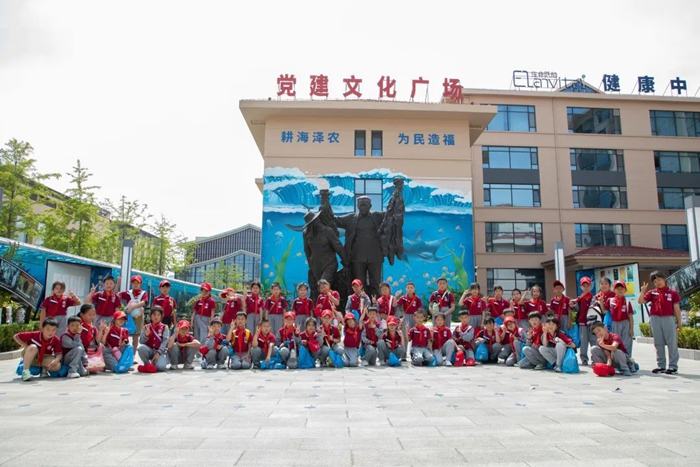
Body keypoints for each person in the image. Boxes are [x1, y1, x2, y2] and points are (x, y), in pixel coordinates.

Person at [335, 195, 386, 297]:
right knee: (359, 283)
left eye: (365, 205)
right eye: (360, 205)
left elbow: (393, 214)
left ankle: (377, 304)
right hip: (357, 257)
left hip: (375, 256)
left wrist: (397, 194)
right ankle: (360, 304)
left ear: (370, 206)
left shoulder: (378, 216)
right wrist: (325, 203)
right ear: (357, 206)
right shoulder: (351, 218)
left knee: (376, 283)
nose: (362, 207)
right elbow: (334, 220)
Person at [638, 271, 682, 375]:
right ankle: (661, 365)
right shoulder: (652, 293)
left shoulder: (673, 293)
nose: (658, 282)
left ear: (664, 279)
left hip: (668, 318)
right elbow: (640, 301)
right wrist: (643, 292)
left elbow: (677, 309)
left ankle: (673, 366)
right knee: (658, 343)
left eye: (659, 279)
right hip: (655, 318)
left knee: (671, 342)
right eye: (655, 281)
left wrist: (679, 323)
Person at [605, 281, 635, 358]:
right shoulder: (610, 300)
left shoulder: (627, 302)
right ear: (614, 290)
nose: (620, 290)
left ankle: (627, 359)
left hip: (625, 323)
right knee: (615, 342)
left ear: (625, 290)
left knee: (626, 343)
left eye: (622, 288)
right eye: (617, 288)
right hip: (614, 323)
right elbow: (604, 311)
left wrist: (631, 329)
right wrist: (601, 303)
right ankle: (617, 359)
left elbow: (630, 317)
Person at [118, 275, 148, 348]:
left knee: (136, 336)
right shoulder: (128, 292)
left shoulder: (143, 293)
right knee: (125, 334)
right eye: (134, 283)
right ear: (131, 284)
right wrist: (118, 283)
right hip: (128, 316)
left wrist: (132, 307)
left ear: (140, 284)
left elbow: (144, 302)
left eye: (137, 283)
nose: (135, 284)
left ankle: (133, 353)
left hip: (138, 317)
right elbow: (117, 295)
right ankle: (125, 351)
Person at [137, 306, 169, 372]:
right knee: (141, 348)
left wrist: (158, 353)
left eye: (158, 315)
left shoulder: (164, 327)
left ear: (161, 316)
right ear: (150, 315)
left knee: (161, 367)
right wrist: (146, 335)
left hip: (159, 352)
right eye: (154, 314)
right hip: (149, 350)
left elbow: (165, 341)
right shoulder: (146, 327)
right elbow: (141, 341)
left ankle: (153, 364)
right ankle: (147, 364)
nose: (156, 317)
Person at [573, 277, 595, 365]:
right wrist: (572, 305)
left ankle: (595, 358)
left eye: (587, 286)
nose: (586, 288)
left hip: (593, 323)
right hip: (582, 322)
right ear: (581, 287)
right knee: (583, 342)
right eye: (584, 286)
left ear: (590, 286)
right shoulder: (579, 298)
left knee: (594, 341)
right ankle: (584, 359)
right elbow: (576, 309)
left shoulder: (593, 298)